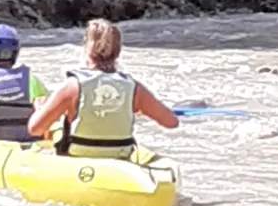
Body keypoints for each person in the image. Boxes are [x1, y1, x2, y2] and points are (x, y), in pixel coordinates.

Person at [27, 17, 178, 158]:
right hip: (119, 156)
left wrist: (40, 108)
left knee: (57, 129)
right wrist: (136, 108)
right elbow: (171, 122)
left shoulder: (72, 86)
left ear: (87, 48)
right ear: (117, 52)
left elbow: (35, 129)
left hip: (77, 156)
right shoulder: (134, 88)